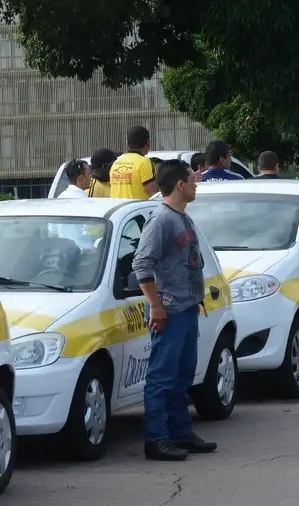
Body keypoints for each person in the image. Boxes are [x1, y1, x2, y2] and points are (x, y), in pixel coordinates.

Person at [132, 159, 216, 461]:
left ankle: (181, 432)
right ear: (180, 184)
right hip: (169, 310)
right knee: (162, 377)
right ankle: (156, 439)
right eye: (192, 180)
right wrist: (155, 305)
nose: (196, 184)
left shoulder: (183, 218)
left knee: (182, 376)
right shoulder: (162, 220)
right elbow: (142, 264)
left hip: (187, 308)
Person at [110, 126, 158, 199]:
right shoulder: (145, 162)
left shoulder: (116, 163)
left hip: (118, 209)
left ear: (128, 143)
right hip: (138, 209)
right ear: (148, 143)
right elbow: (153, 194)